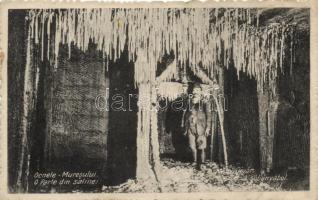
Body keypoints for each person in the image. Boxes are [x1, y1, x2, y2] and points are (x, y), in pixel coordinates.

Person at [181, 83, 212, 169]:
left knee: (201, 145)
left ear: (201, 91)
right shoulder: (189, 101)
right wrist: (183, 123)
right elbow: (185, 113)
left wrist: (208, 127)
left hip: (201, 127)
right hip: (190, 126)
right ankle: (194, 162)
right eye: (194, 90)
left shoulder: (205, 102)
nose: (195, 92)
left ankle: (202, 163)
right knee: (192, 146)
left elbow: (209, 116)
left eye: (197, 90)